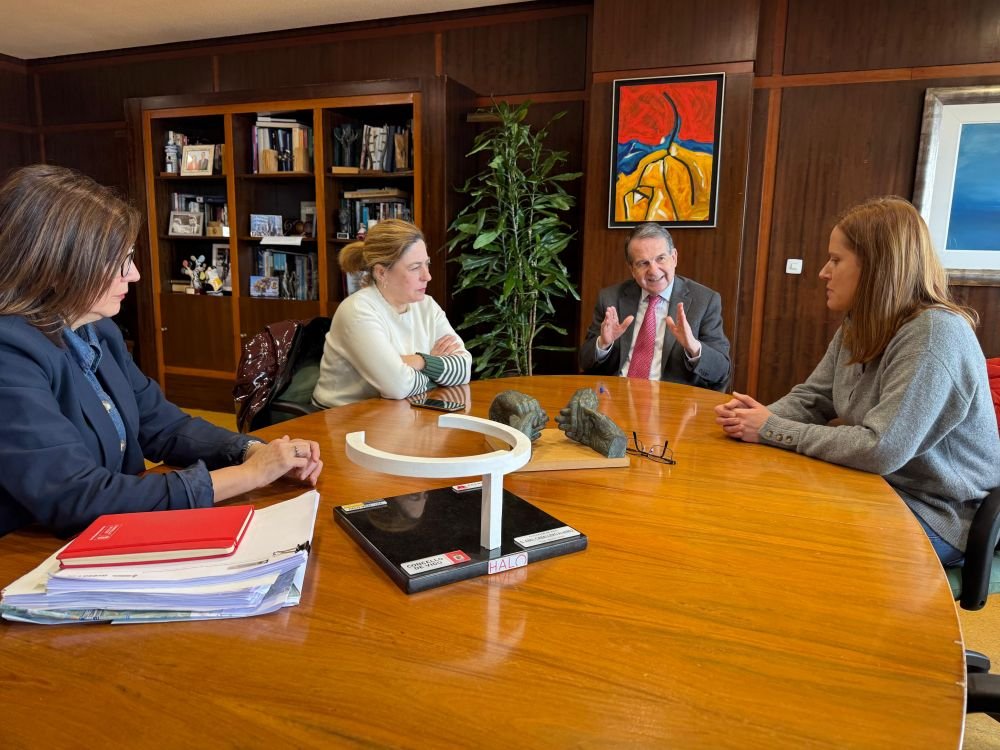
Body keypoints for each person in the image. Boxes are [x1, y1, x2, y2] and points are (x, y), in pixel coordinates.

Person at [0, 165, 323, 539]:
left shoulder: (97, 330)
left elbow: (164, 426)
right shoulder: (11, 352)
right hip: (25, 555)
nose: (134, 275)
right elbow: (78, 496)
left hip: (109, 537)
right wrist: (249, 475)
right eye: (119, 262)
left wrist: (251, 450)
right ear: (57, 266)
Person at [714, 196, 1000, 564]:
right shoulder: (859, 323)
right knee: (763, 502)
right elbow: (813, 398)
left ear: (877, 267)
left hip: (942, 514)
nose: (823, 272)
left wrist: (770, 429)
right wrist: (748, 421)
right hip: (878, 487)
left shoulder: (934, 334)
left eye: (835, 260)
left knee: (791, 539)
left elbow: (880, 448)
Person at [311, 219, 471, 408]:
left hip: (397, 411)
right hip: (341, 418)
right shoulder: (357, 310)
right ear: (381, 273)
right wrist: (436, 370)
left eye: (427, 264)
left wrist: (418, 361)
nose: (427, 276)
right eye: (414, 267)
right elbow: (398, 386)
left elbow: (464, 369)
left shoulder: (426, 305)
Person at [580, 222, 731, 391]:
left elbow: (722, 371)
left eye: (660, 258)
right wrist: (603, 344)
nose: (653, 270)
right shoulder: (610, 298)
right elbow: (585, 361)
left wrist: (694, 348)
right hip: (617, 397)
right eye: (643, 263)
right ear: (631, 269)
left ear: (674, 257)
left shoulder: (704, 301)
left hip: (673, 402)